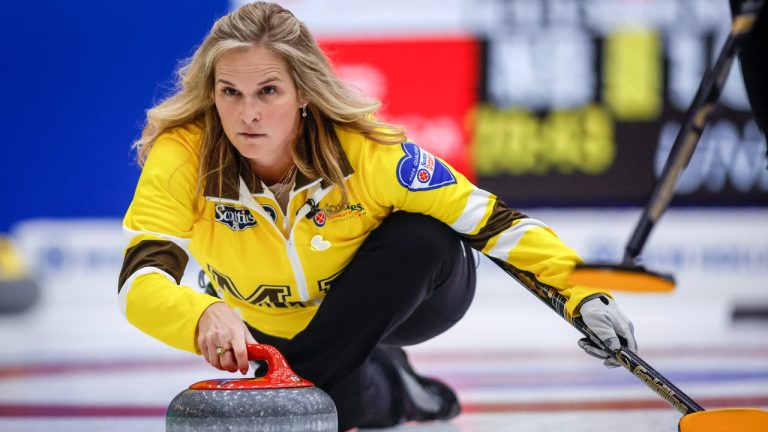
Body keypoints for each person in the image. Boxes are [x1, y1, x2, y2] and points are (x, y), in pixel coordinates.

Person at [118, 2, 637, 430]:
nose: (247, 113)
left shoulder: (367, 152)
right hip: (282, 326)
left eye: (268, 91)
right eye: (230, 92)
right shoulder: (186, 153)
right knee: (344, 408)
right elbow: (138, 280)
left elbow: (493, 222)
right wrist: (201, 314)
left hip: (413, 302)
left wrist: (582, 294)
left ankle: (302, 379)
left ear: (303, 93)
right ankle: (398, 387)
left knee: (426, 234)